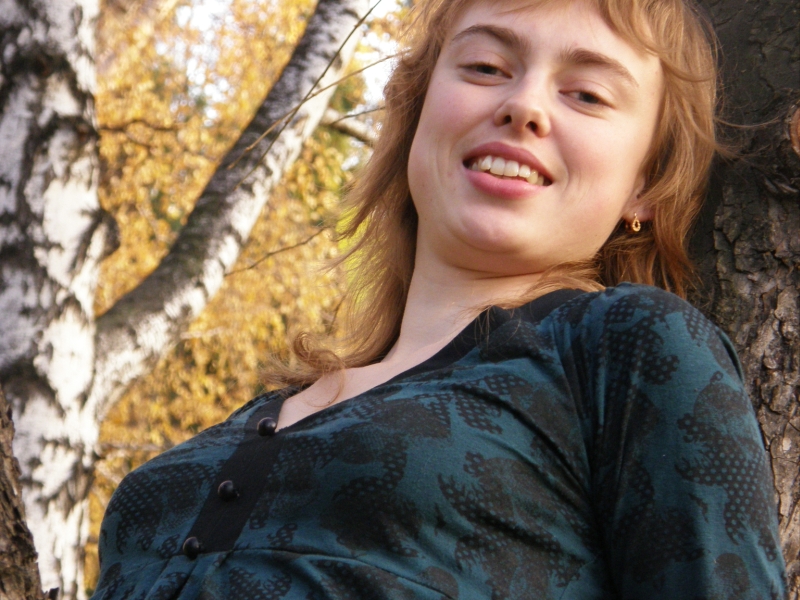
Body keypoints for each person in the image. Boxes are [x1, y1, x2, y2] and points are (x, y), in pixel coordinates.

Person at [91, 0, 787, 598]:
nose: (524, 106)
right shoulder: (243, 423)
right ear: (416, 108)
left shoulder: (634, 348)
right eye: (485, 67)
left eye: (587, 94)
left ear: (646, 185)